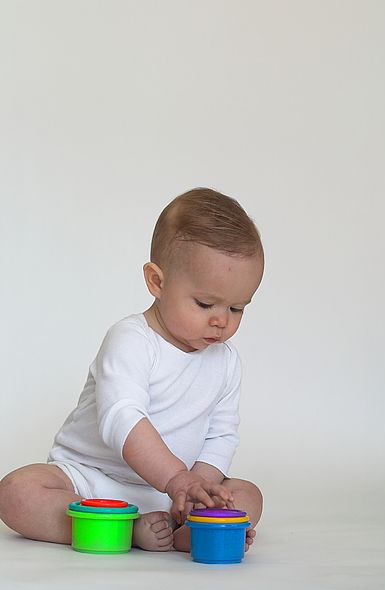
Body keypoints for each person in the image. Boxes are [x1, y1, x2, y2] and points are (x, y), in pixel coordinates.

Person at [0, 188, 264, 553]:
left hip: (173, 493)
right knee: (17, 492)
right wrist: (175, 479)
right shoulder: (131, 340)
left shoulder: (226, 360)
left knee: (248, 496)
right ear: (157, 282)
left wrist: (199, 491)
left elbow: (221, 436)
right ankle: (124, 527)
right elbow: (122, 419)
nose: (221, 321)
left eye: (237, 308)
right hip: (92, 482)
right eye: (205, 303)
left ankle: (186, 528)